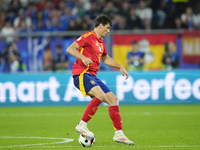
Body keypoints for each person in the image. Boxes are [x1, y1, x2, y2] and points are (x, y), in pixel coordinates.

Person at [66, 14, 135, 145]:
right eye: (107, 28)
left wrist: (120, 66)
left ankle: (119, 134)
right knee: (100, 94)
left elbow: (105, 58)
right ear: (100, 25)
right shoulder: (87, 37)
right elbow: (70, 48)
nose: (108, 31)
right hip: (81, 74)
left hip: (92, 76)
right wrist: (82, 57)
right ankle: (82, 125)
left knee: (113, 100)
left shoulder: (101, 42)